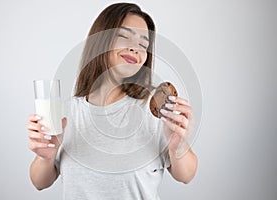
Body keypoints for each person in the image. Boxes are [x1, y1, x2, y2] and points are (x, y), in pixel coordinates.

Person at [27, 2, 197, 200]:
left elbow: (186, 176)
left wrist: (178, 146)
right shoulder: (66, 112)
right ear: (100, 42)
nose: (135, 49)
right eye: (124, 36)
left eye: (143, 44)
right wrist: (45, 156)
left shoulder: (156, 111)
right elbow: (40, 182)